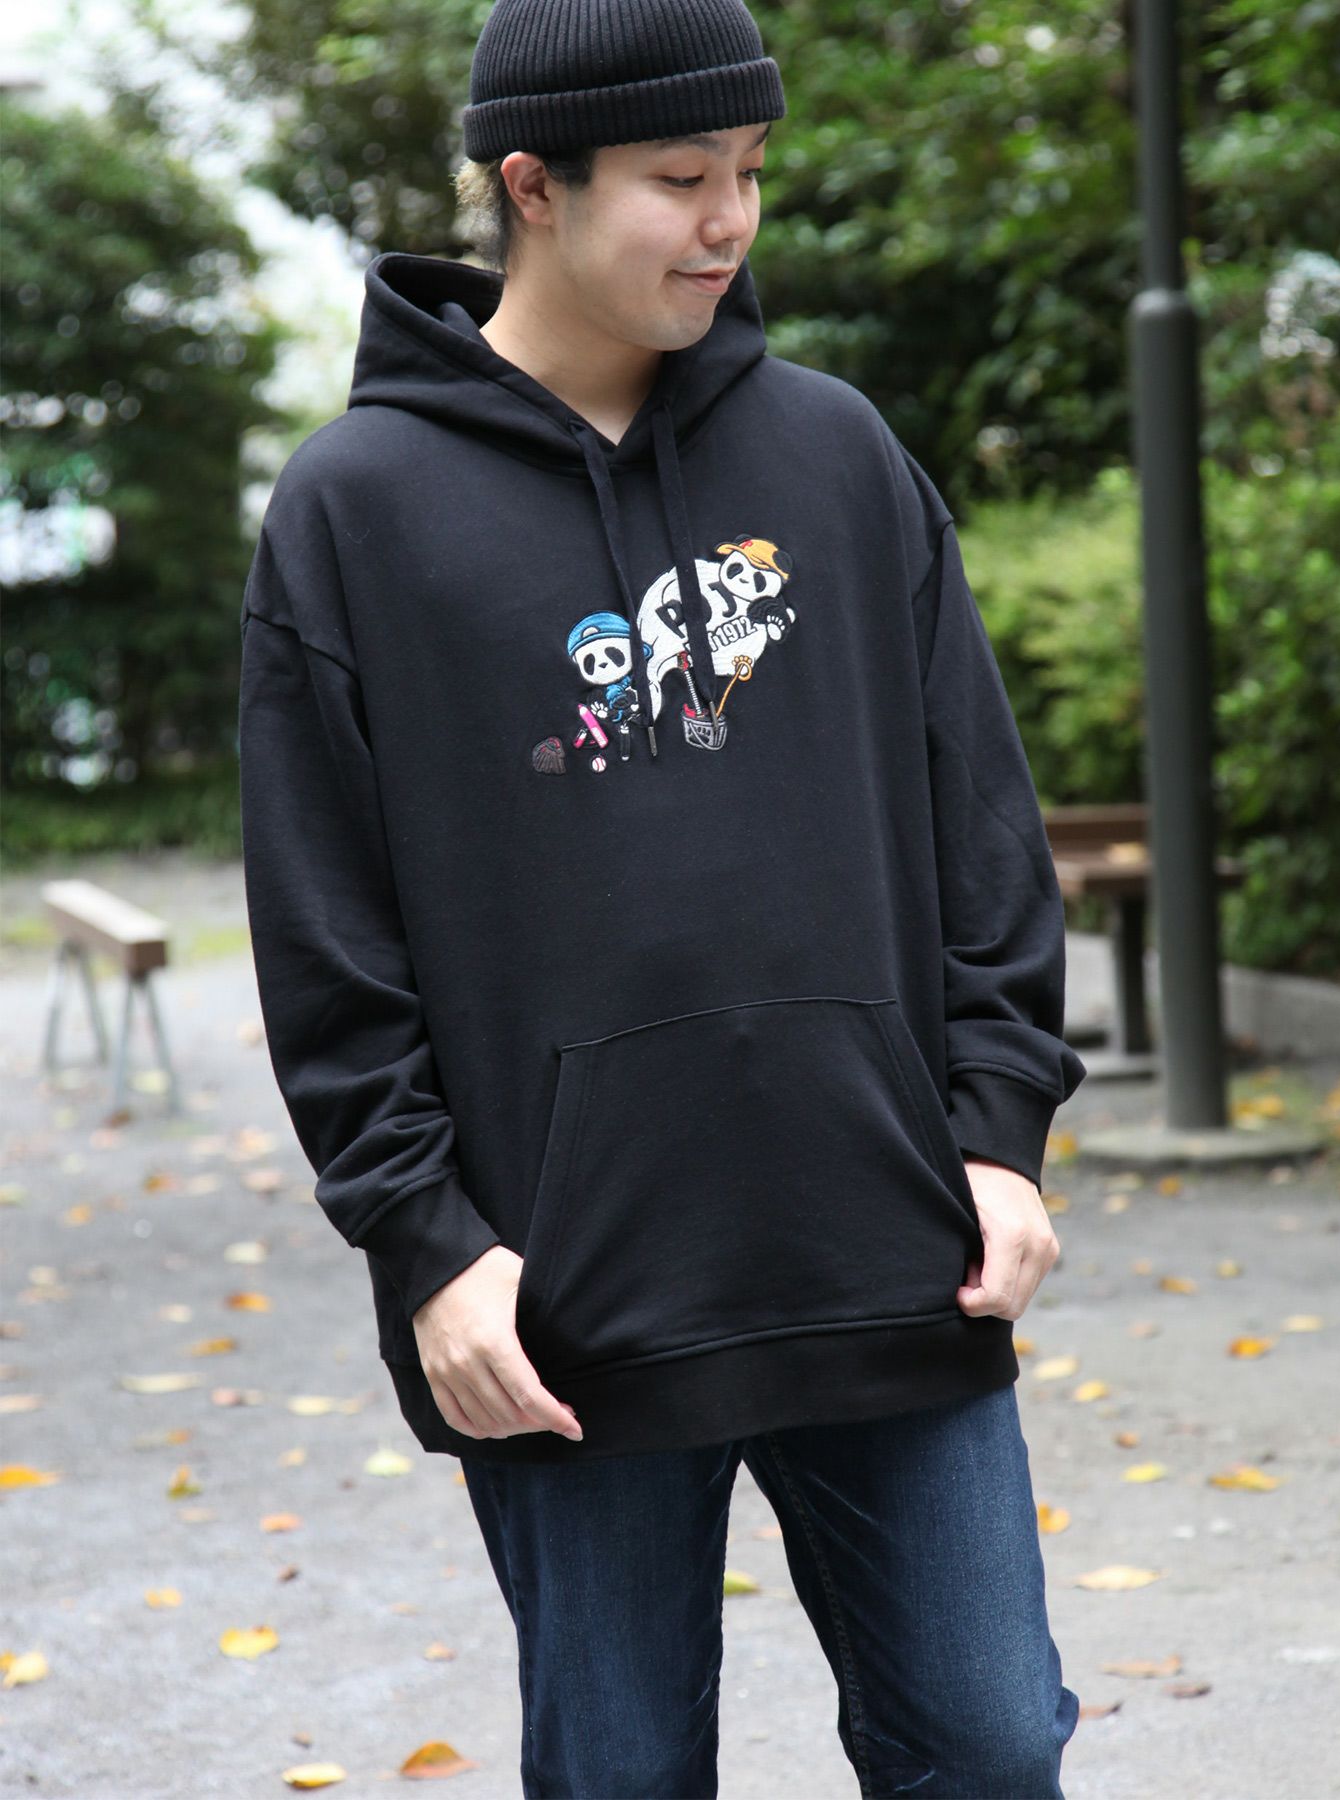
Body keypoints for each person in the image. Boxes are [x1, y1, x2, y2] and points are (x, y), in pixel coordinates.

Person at [236, 0, 1089, 1792]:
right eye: (681, 177)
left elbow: (980, 834)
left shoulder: (837, 456)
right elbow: (326, 933)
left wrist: (1000, 1132)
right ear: (530, 186)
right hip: (562, 1304)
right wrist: (427, 1247)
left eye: (750, 172)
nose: (729, 221)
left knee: (990, 1745)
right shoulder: (354, 508)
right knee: (618, 1774)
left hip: (887, 1253)